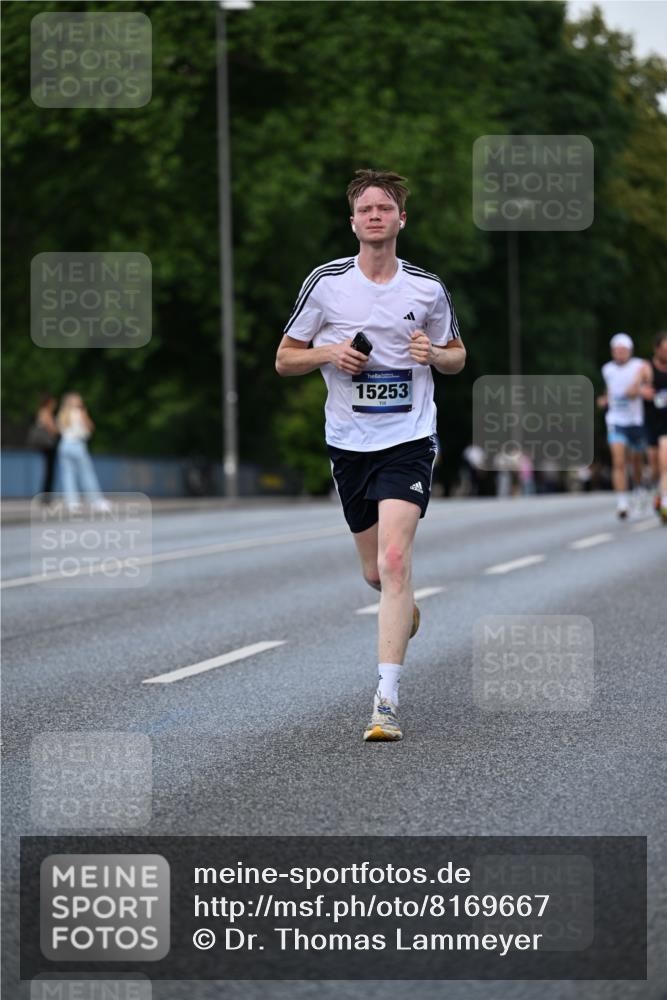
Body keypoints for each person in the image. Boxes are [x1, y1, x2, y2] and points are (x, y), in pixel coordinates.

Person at [275, 169, 466, 741]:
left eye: (385, 208)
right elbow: (285, 359)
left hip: (409, 438)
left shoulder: (426, 289)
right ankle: (400, 609)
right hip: (349, 441)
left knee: (394, 562)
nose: (375, 216)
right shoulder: (327, 283)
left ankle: (385, 700)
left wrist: (432, 352)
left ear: (401, 219)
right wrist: (331, 352)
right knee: (372, 572)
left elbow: (457, 356)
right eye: (366, 209)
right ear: (353, 221)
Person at [597, 333, 647, 520]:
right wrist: (605, 400)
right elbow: (610, 389)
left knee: (636, 461)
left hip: (635, 421)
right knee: (618, 461)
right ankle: (622, 502)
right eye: (616, 350)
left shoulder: (639, 366)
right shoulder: (607, 369)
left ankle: (640, 487)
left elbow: (648, 385)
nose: (619, 353)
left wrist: (638, 388)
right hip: (616, 420)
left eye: (623, 350)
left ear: (630, 350)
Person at [56, 393, 111, 512]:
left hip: (64, 445)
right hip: (77, 445)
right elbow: (90, 427)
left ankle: (72, 503)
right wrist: (85, 413)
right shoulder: (79, 412)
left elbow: (59, 431)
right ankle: (96, 501)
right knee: (87, 474)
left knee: (68, 475)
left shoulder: (62, 414)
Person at [639, 331, 667, 523]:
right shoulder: (646, 368)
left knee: (666, 462)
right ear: (656, 350)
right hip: (651, 422)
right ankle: (659, 495)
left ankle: (665, 503)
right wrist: (641, 390)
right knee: (655, 467)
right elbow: (632, 390)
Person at [29, 393, 60, 501]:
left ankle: (45, 495)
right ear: (49, 402)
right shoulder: (46, 413)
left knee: (48, 470)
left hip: (44, 445)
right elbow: (53, 429)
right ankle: (46, 496)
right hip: (48, 445)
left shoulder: (41, 412)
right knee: (50, 471)